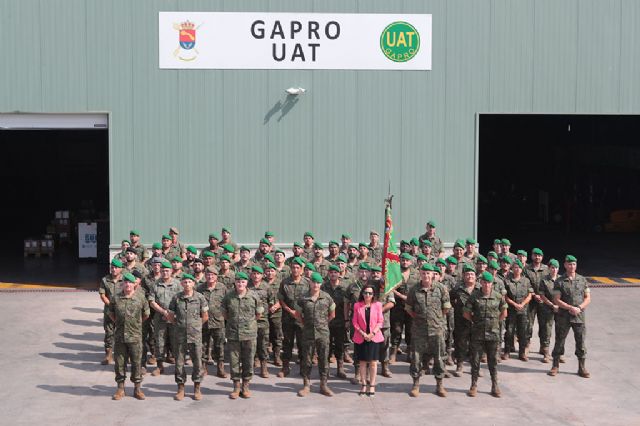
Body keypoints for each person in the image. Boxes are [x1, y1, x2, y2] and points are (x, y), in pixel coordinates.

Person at [406, 264, 451, 398]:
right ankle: (415, 384)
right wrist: (420, 318)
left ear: (433, 274)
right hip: (419, 330)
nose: (426, 275)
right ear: (420, 273)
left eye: (428, 273)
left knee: (439, 357)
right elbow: (409, 309)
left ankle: (439, 384)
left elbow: (446, 308)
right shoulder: (414, 290)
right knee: (416, 357)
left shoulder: (441, 288)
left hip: (436, 330)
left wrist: (435, 319)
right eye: (424, 273)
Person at [463, 271, 508, 398]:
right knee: (475, 361)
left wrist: (493, 323)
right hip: (477, 335)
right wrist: (476, 322)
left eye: (489, 282)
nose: (486, 285)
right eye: (484, 282)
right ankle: (473, 385)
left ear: (492, 284)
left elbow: (504, 313)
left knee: (493, 361)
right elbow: (466, 313)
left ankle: (495, 385)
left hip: (493, 335)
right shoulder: (474, 296)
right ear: (481, 283)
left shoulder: (498, 296)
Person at [166, 274, 209, 401]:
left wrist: (195, 326)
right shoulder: (176, 298)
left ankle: (197, 388)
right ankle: (180, 389)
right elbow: (170, 316)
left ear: (193, 284)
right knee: (179, 363)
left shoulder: (200, 298)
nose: (187, 284)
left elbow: (205, 316)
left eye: (189, 282)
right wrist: (179, 325)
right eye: (185, 282)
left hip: (195, 336)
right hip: (179, 336)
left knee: (197, 362)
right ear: (182, 284)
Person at [222, 272, 264, 399]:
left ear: (247, 283)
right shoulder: (229, 296)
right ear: (235, 283)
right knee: (234, 361)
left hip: (249, 334)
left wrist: (248, 323)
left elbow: (258, 314)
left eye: (243, 282)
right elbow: (224, 313)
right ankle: (236, 386)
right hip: (233, 333)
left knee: (248, 360)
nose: (240, 284)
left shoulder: (253, 296)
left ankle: (245, 386)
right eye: (238, 282)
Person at [108, 272, 150, 400]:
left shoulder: (141, 298)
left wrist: (135, 324)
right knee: (120, 363)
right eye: (125, 282)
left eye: (130, 282)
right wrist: (120, 323)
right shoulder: (116, 298)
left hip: (135, 336)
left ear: (134, 284)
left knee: (137, 363)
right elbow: (111, 313)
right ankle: (120, 389)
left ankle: (137, 389)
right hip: (120, 336)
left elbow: (146, 314)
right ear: (122, 284)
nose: (127, 284)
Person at [549, 255, 591, 378]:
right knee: (559, 341)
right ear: (565, 265)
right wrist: (569, 308)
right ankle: (555, 365)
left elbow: (588, 298)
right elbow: (556, 300)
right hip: (564, 316)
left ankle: (582, 367)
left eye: (573, 264)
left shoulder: (582, 280)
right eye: (569, 264)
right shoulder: (559, 281)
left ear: (576, 265)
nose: (571, 266)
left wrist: (579, 308)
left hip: (579, 316)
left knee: (581, 342)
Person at [296, 272, 336, 397]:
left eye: (318, 282)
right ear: (310, 282)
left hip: (323, 333)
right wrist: (305, 325)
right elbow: (298, 314)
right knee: (307, 360)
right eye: (314, 282)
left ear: (321, 283)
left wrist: (323, 324)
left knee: (324, 359)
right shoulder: (303, 298)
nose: (316, 285)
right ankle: (306, 385)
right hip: (307, 333)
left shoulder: (327, 297)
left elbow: (332, 314)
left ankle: (323, 385)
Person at [277, 257, 311, 377]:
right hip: (288, 318)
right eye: (293, 268)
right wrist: (289, 311)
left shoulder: (307, 283)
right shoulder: (285, 282)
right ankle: (285, 367)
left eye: (298, 268)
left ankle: (303, 368)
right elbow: (281, 299)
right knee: (287, 343)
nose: (295, 270)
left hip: (302, 319)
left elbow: (311, 299)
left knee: (302, 344)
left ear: (302, 269)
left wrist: (301, 313)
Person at [148, 260, 181, 376]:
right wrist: (163, 312)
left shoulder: (177, 284)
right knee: (159, 342)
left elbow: (181, 300)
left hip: (174, 318)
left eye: (167, 271)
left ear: (171, 271)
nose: (165, 273)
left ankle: (178, 367)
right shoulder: (155, 284)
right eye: (163, 271)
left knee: (175, 342)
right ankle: (159, 366)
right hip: (160, 318)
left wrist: (173, 314)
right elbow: (152, 301)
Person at [352, 283, 384, 397]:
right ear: (362, 294)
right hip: (361, 337)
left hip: (374, 337)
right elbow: (354, 322)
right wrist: (363, 333)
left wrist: (372, 333)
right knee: (362, 362)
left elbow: (380, 321)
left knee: (373, 363)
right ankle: (364, 384)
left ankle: (372, 385)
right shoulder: (357, 305)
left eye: (370, 293)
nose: (368, 295)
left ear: (373, 294)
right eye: (365, 293)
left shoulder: (378, 305)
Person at [197, 266, 228, 378]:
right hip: (204, 322)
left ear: (216, 277)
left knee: (219, 346)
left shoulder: (222, 288)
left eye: (213, 275)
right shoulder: (200, 288)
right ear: (205, 276)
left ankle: (220, 368)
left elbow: (226, 303)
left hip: (218, 321)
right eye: (208, 275)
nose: (210, 277)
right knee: (204, 345)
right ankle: (204, 367)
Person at [450, 264, 479, 377]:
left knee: (475, 345)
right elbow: (450, 298)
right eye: (467, 274)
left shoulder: (479, 288)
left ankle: (475, 367)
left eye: (472, 274)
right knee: (460, 344)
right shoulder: (457, 289)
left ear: (475, 276)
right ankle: (460, 365)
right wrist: (456, 306)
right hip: (461, 321)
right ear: (463, 276)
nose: (470, 276)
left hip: (476, 322)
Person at [503, 259, 533, 361]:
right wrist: (515, 304)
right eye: (515, 267)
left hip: (523, 311)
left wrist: (522, 304)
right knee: (509, 331)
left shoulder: (526, 281)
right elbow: (505, 296)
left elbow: (529, 295)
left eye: (519, 267)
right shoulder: (507, 281)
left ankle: (522, 353)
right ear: (512, 269)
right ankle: (507, 352)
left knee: (523, 332)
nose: (517, 269)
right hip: (511, 310)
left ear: (521, 269)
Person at [99, 258, 124, 365]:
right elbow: (102, 294)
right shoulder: (105, 280)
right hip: (109, 311)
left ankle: (122, 355)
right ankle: (108, 355)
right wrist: (110, 305)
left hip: (122, 310)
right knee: (109, 333)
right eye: (112, 267)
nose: (113, 269)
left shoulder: (125, 280)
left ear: (120, 269)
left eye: (116, 268)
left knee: (122, 333)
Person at [538, 259, 560, 363]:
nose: (554, 270)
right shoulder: (544, 280)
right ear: (549, 268)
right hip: (547, 308)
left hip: (560, 309)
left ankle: (559, 353)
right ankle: (545, 352)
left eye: (556, 268)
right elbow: (542, 295)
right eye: (552, 267)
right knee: (546, 330)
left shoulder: (561, 280)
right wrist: (552, 305)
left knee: (560, 331)